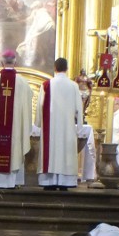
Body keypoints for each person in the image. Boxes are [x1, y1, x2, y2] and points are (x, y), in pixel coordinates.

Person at [0, 50, 33, 188]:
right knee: (14, 147)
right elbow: (28, 103)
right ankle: (12, 182)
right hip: (14, 129)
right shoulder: (23, 83)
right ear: (15, 62)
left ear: (2, 62)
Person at [36, 57, 82, 190]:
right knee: (65, 153)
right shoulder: (73, 85)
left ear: (55, 68)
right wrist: (79, 125)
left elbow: (40, 105)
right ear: (67, 69)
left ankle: (49, 182)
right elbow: (79, 107)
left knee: (51, 151)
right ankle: (65, 183)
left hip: (50, 127)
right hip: (67, 127)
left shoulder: (47, 84)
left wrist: (38, 123)